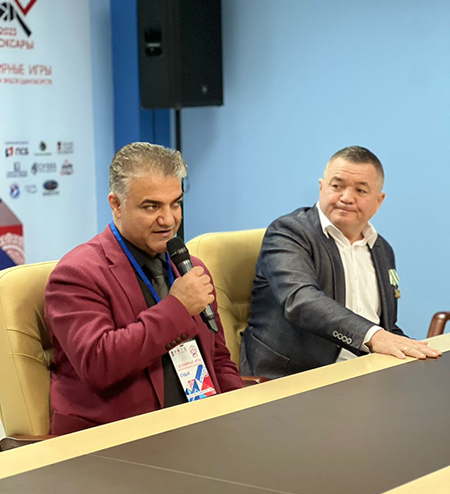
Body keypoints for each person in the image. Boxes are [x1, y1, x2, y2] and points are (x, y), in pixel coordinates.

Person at [45, 142, 243, 435]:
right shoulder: (77, 273)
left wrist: (241, 414)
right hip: (114, 439)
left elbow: (217, 358)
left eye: (175, 203)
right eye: (152, 206)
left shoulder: (189, 268)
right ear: (116, 204)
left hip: (197, 427)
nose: (169, 220)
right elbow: (99, 363)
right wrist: (177, 308)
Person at [241, 146, 441, 379]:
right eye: (337, 186)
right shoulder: (288, 233)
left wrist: (419, 352)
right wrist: (373, 337)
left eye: (360, 190)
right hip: (291, 378)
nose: (346, 198)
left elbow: (385, 327)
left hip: (365, 374)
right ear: (321, 187)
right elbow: (301, 300)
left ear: (379, 201)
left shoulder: (382, 249)